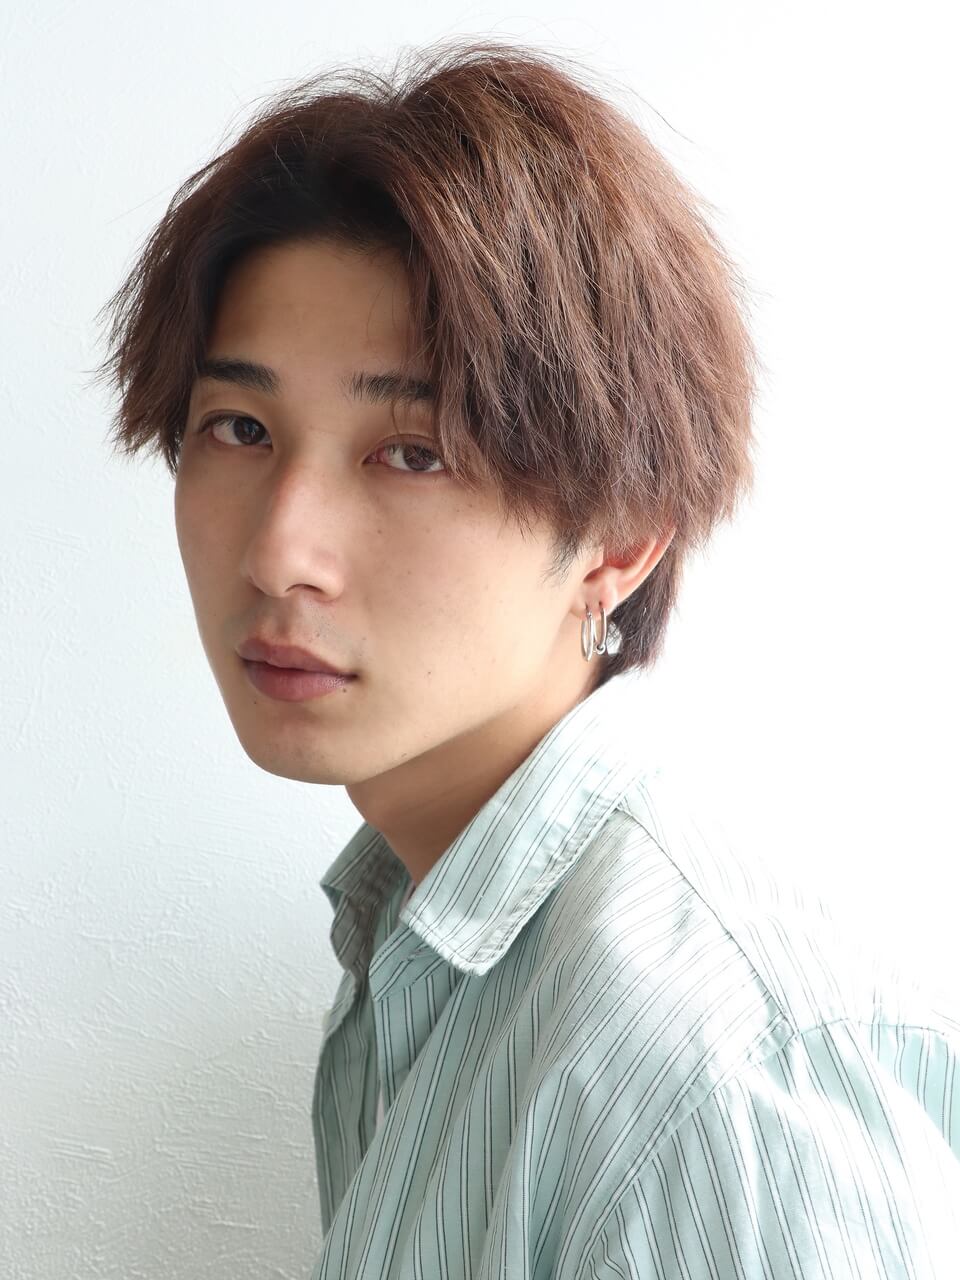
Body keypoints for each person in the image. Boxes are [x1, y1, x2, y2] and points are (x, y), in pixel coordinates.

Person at [90, 37, 959, 1280]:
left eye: (413, 452)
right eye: (239, 426)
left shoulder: (711, 1074)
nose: (281, 553)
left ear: (621, 538)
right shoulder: (416, 948)